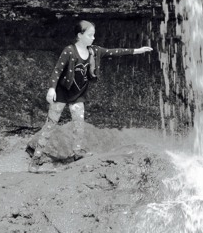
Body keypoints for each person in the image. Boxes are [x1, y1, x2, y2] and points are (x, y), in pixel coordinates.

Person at [28, 20, 153, 171]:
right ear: (80, 35)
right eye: (90, 35)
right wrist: (51, 89)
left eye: (94, 35)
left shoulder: (94, 51)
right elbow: (57, 71)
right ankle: (36, 159)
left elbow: (113, 51)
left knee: (79, 125)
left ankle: (77, 153)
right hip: (61, 93)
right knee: (50, 125)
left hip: (78, 94)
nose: (93, 38)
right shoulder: (69, 51)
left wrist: (137, 51)